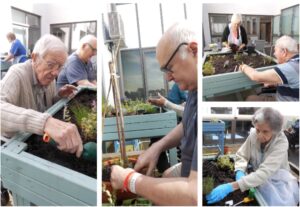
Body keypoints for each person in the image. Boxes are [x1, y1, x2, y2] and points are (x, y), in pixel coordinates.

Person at [110, 21, 198, 206]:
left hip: (195, 183)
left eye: (169, 68)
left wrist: (129, 180)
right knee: (165, 175)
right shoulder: (194, 90)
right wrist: (157, 147)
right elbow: (188, 123)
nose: (168, 77)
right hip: (188, 171)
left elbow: (192, 196)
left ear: (193, 50)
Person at [0, 34, 83, 158]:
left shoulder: (48, 78)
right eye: (50, 64)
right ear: (34, 58)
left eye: (60, 67)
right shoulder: (17, 74)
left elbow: (45, 106)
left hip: (36, 138)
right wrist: (44, 122)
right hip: (12, 145)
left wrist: (59, 96)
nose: (55, 72)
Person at [206, 107, 299, 206]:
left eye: (265, 131)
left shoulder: (281, 142)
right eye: (258, 129)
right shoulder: (253, 134)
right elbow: (242, 155)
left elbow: (265, 172)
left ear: (274, 130)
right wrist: (240, 170)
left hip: (277, 181)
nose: (259, 135)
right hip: (256, 177)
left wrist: (231, 186)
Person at [239, 35, 299, 101]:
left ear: (284, 52)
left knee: (250, 99)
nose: (274, 54)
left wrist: (244, 67)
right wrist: (276, 83)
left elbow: (256, 76)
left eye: (275, 50)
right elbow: (294, 81)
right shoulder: (296, 62)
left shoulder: (289, 67)